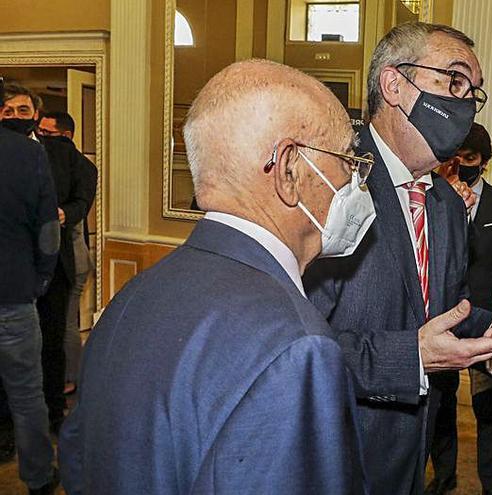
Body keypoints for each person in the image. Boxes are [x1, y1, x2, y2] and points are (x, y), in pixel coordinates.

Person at [59, 59, 369, 494]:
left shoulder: (131, 295)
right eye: (347, 161)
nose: (353, 181)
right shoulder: (298, 346)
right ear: (290, 171)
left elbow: (77, 458)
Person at [303, 22, 492, 495]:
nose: (464, 102)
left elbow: (444, 309)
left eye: (472, 91)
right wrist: (410, 357)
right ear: (394, 84)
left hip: (413, 456)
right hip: (336, 457)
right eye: (453, 80)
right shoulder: (327, 181)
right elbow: (298, 351)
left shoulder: (448, 205)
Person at [426, 123, 492, 495]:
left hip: (487, 323)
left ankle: (490, 486)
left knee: (488, 409)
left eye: (470, 158)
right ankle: (444, 477)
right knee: (441, 406)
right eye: (454, 157)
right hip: (442, 319)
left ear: (484, 161)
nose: (461, 164)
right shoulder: (433, 198)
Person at [1, 85, 94, 433]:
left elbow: (81, 200)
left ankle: (54, 413)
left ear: (36, 116)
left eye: (22, 111)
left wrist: (63, 214)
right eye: (7, 111)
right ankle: (7, 427)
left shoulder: (62, 155)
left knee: (51, 343)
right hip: (11, 274)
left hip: (53, 267)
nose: (14, 117)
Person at [0, 80, 61, 495]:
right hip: (16, 293)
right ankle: (39, 478)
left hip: (17, 289)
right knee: (26, 395)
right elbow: (48, 230)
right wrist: (42, 277)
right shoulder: (32, 154)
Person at [38, 111, 98, 397]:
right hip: (62, 253)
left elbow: (80, 207)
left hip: (72, 255)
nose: (42, 139)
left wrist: (63, 214)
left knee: (65, 322)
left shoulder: (82, 167)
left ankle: (70, 377)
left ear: (66, 136)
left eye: (47, 134)